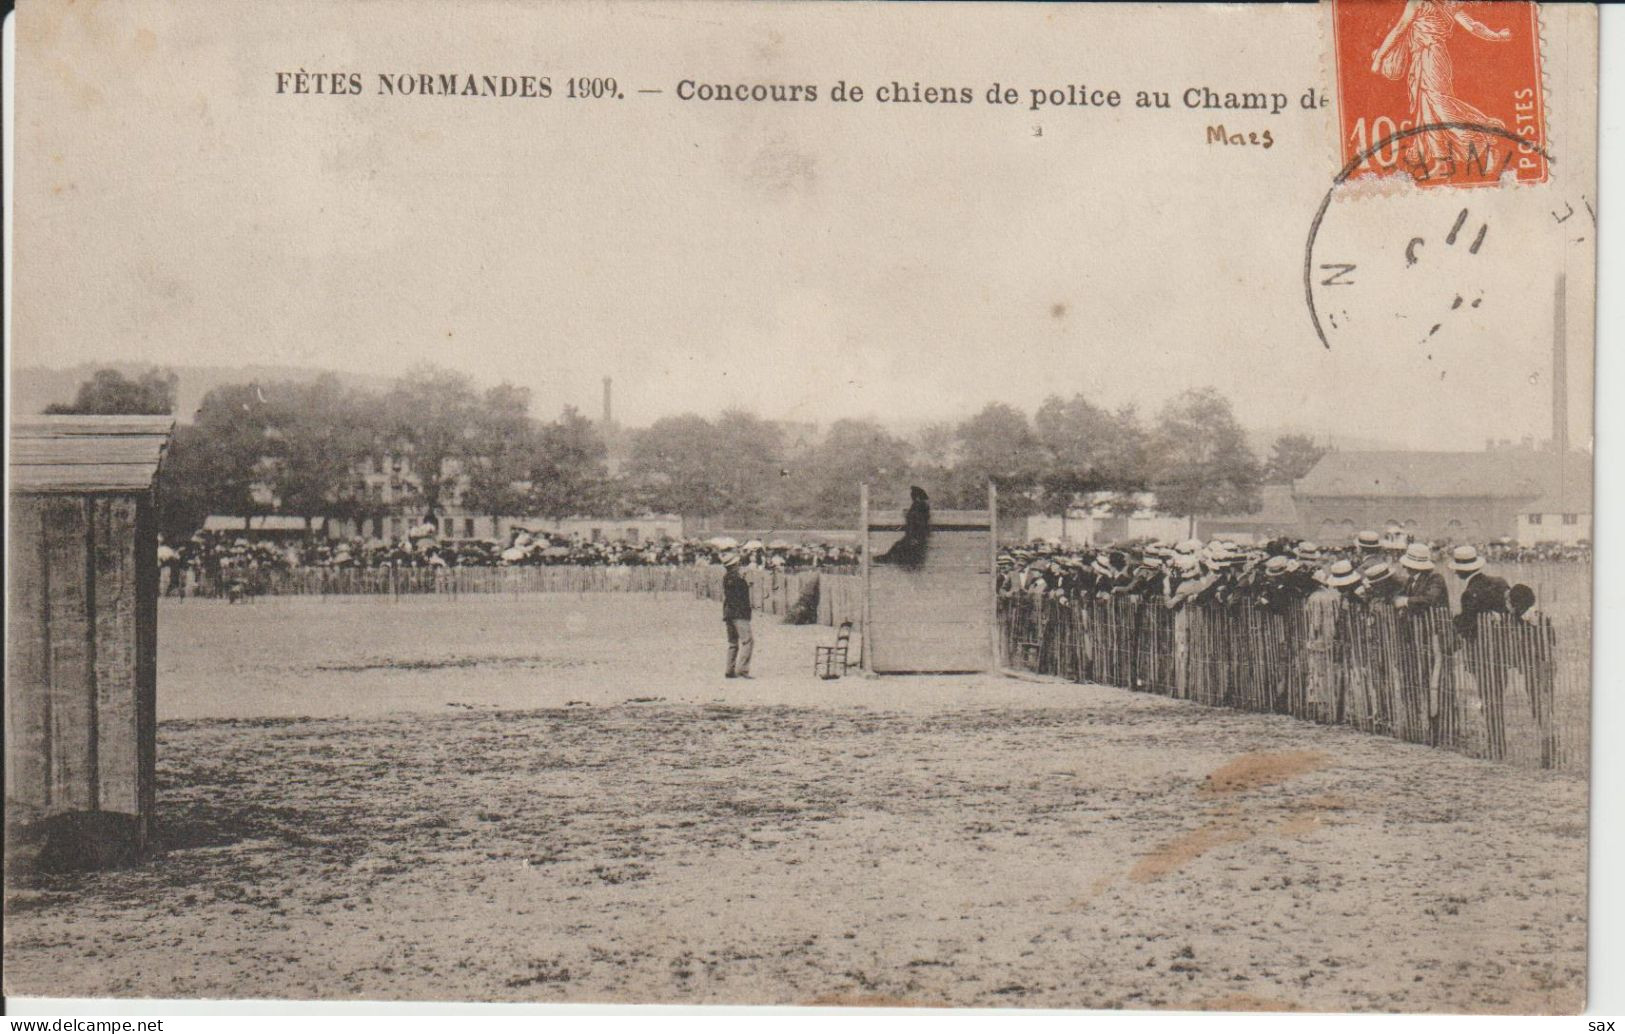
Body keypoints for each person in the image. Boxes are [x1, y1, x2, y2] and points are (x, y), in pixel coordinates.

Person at [1450, 544, 1510, 759]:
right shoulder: (1500, 583)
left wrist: (1455, 621)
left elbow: (1467, 625)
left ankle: (1495, 745)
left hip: (1482, 653)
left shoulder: (1470, 593)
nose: (1455, 571)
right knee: (1497, 696)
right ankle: (1497, 743)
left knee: (1487, 697)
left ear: (1462, 570)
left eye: (1457, 568)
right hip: (1502, 651)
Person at [874, 486, 931, 568]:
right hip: (913, 536)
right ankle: (887, 558)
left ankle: (886, 559)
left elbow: (918, 522)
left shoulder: (919, 506)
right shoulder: (919, 506)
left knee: (899, 548)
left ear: (916, 496)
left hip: (914, 536)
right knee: (898, 547)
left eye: (913, 495)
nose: (912, 496)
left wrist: (915, 538)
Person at [721, 553, 754, 679]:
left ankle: (730, 670)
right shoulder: (738, 579)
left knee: (733, 643)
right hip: (739, 613)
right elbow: (742, 596)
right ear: (735, 565)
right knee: (748, 641)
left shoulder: (727, 577)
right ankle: (743, 670)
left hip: (728, 613)